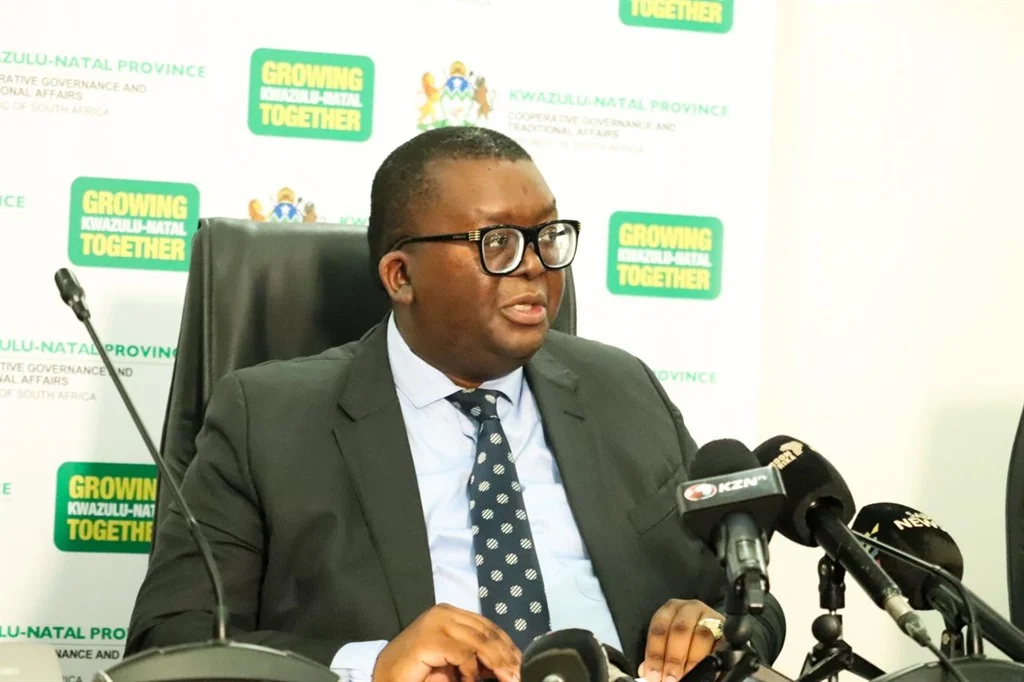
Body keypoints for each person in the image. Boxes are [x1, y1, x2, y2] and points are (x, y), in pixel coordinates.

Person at [126, 127, 785, 682]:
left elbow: (750, 602)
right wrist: (373, 665)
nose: (536, 265)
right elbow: (172, 642)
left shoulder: (622, 387)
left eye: (547, 235)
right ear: (401, 276)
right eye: (497, 242)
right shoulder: (266, 419)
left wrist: (720, 628)